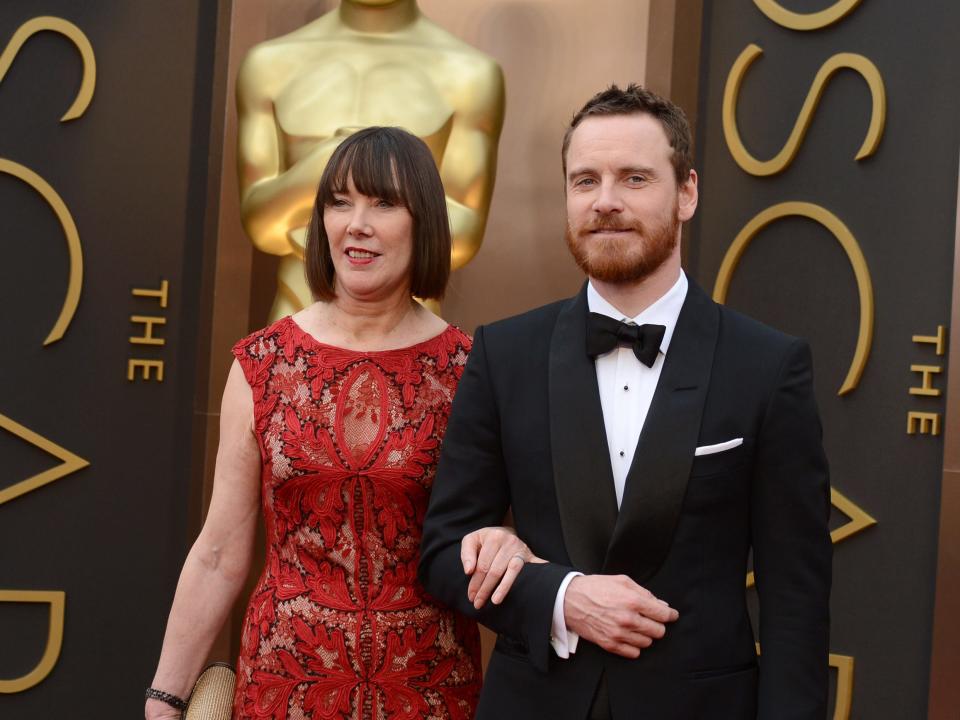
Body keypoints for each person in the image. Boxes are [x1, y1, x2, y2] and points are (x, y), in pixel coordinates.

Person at [419, 85, 832, 719]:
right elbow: (444, 553)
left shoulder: (768, 367)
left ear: (686, 192)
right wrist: (560, 596)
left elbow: (795, 602)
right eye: (585, 181)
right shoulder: (505, 354)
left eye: (634, 178)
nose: (605, 201)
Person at [146, 127, 529, 720]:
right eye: (340, 201)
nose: (357, 223)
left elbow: (505, 540)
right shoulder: (263, 364)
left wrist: (508, 542)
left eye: (383, 203)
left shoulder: (470, 370)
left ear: (422, 221)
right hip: (283, 691)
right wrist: (165, 698)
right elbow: (220, 553)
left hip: (428, 692)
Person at [236, 0, 504, 320]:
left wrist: (334, 180)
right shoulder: (268, 65)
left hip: (408, 325)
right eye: (340, 201)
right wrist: (323, 163)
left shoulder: (471, 74)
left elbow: (461, 235)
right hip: (297, 312)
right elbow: (262, 226)